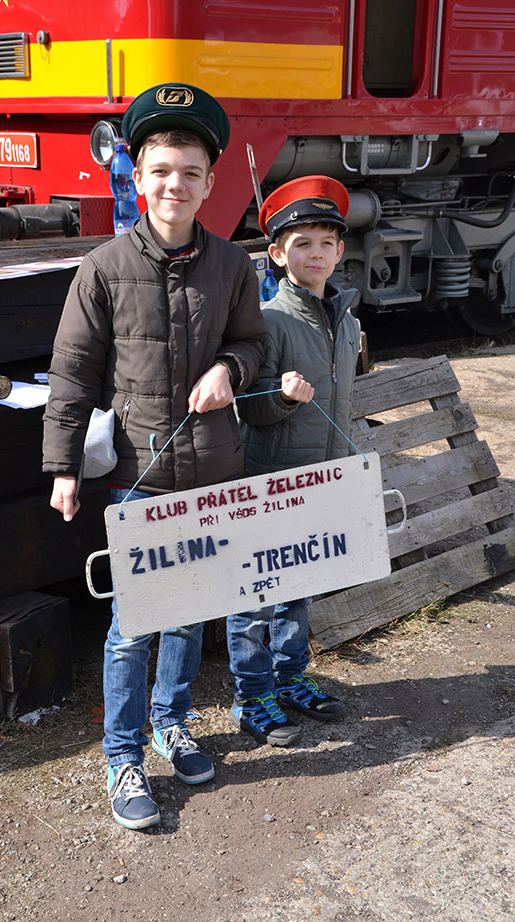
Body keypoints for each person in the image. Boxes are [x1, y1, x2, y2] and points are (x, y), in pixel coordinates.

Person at [42, 83, 265, 829]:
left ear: (210, 182)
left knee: (190, 612)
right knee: (134, 624)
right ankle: (123, 755)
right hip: (138, 477)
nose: (176, 184)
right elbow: (72, 374)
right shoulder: (103, 269)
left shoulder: (233, 265)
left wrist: (229, 370)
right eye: (161, 170)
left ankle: (172, 723)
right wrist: (64, 466)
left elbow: (253, 343)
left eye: (190, 172)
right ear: (137, 176)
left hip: (213, 469)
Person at [227, 175, 361, 746]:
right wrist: (281, 397)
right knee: (255, 594)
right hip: (270, 484)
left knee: (299, 585)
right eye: (302, 243)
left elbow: (343, 401)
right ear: (278, 254)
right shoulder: (270, 320)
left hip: (320, 481)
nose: (316, 253)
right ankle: (251, 694)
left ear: (340, 251)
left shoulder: (347, 322)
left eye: (327, 243)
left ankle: (289, 677)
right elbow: (250, 409)